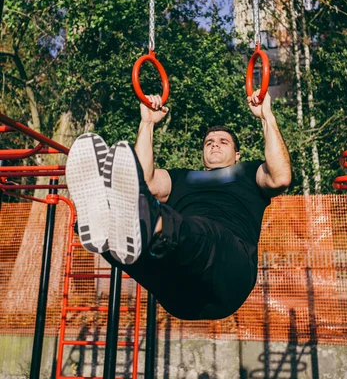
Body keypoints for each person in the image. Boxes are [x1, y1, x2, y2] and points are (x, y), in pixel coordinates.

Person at [66, 89, 291, 320]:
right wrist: (147, 123)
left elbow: (281, 177)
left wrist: (266, 116)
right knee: (142, 253)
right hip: (179, 291)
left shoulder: (249, 172)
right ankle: (107, 228)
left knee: (200, 231)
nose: (214, 145)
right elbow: (143, 181)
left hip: (229, 275)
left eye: (223, 142)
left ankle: (148, 225)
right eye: (209, 142)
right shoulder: (182, 177)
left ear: (237, 155)